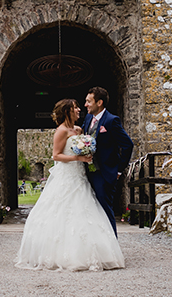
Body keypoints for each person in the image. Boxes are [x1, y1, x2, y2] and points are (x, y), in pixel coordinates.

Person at [15, 98, 125, 272]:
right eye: (75, 108)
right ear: (68, 111)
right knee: (62, 211)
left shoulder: (79, 129)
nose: (80, 110)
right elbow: (56, 156)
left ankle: (96, 252)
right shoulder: (61, 131)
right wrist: (78, 158)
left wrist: (88, 152)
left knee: (86, 209)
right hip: (67, 175)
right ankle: (63, 255)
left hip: (80, 176)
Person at [83, 86, 134, 236]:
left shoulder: (112, 121)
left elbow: (127, 145)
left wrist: (118, 170)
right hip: (88, 173)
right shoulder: (87, 119)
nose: (85, 105)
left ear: (99, 103)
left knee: (104, 209)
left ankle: (112, 247)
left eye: (88, 101)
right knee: (90, 210)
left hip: (104, 174)